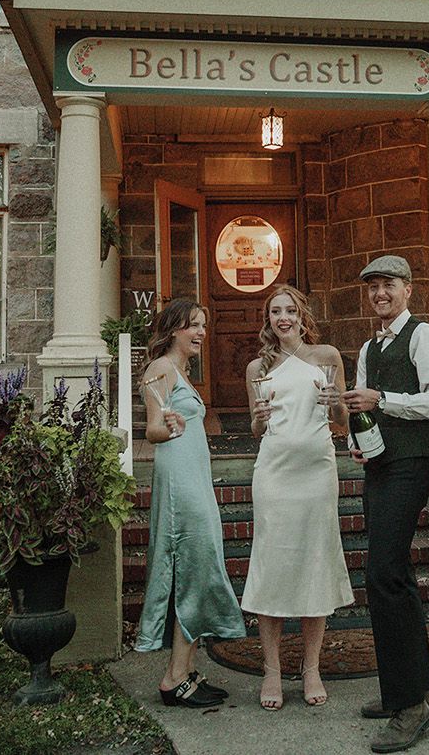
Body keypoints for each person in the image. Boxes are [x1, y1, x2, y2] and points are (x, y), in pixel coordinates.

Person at [342, 255, 429, 754]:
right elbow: (360, 409)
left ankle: (412, 707)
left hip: (412, 462)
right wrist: (356, 441)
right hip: (381, 464)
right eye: (373, 287)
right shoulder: (369, 347)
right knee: (391, 574)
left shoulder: (424, 337)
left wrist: (382, 399)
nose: (379, 294)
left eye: (388, 285)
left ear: (408, 289)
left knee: (384, 572)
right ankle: (406, 691)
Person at [240, 285, 355, 711]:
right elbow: (257, 430)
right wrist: (257, 418)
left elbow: (342, 420)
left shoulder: (327, 357)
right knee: (272, 565)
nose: (283, 318)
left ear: (302, 316)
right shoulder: (257, 367)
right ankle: (271, 669)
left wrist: (337, 403)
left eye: (290, 310)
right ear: (268, 319)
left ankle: (311, 667)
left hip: (316, 473)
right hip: (274, 474)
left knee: (314, 563)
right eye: (276, 312)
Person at [135, 298, 245, 707]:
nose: (201, 332)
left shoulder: (180, 371)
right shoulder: (161, 368)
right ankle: (174, 679)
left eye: (203, 325)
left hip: (195, 478)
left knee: (200, 567)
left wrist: (179, 423)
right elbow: (152, 430)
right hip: (180, 484)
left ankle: (186, 671)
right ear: (172, 330)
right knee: (192, 570)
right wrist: (172, 427)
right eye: (193, 325)